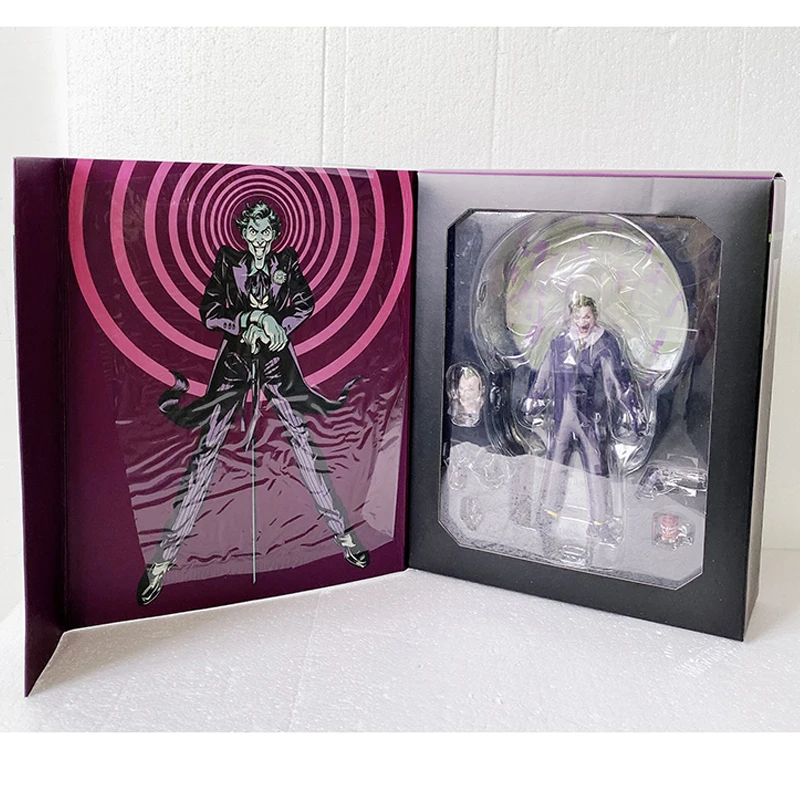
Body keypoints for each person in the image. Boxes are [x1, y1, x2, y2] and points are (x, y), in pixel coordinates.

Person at [136, 200, 367, 606]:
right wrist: (245, 321)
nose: (259, 240)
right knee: (207, 452)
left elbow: (304, 303)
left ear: (274, 234)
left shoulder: (287, 263)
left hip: (277, 364)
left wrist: (279, 324)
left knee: (303, 444)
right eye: (253, 232)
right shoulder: (228, 262)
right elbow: (210, 311)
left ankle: (345, 538)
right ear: (243, 233)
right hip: (234, 365)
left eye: (265, 233)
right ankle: (162, 562)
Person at [523, 294, 646, 557]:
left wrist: (633, 410)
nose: (582, 321)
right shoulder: (559, 343)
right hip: (562, 418)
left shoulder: (604, 344)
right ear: (570, 317)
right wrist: (534, 397)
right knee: (555, 464)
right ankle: (548, 514)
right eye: (578, 316)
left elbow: (618, 380)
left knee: (596, 469)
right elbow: (544, 373)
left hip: (592, 420)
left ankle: (600, 523)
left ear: (595, 317)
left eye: (587, 316)